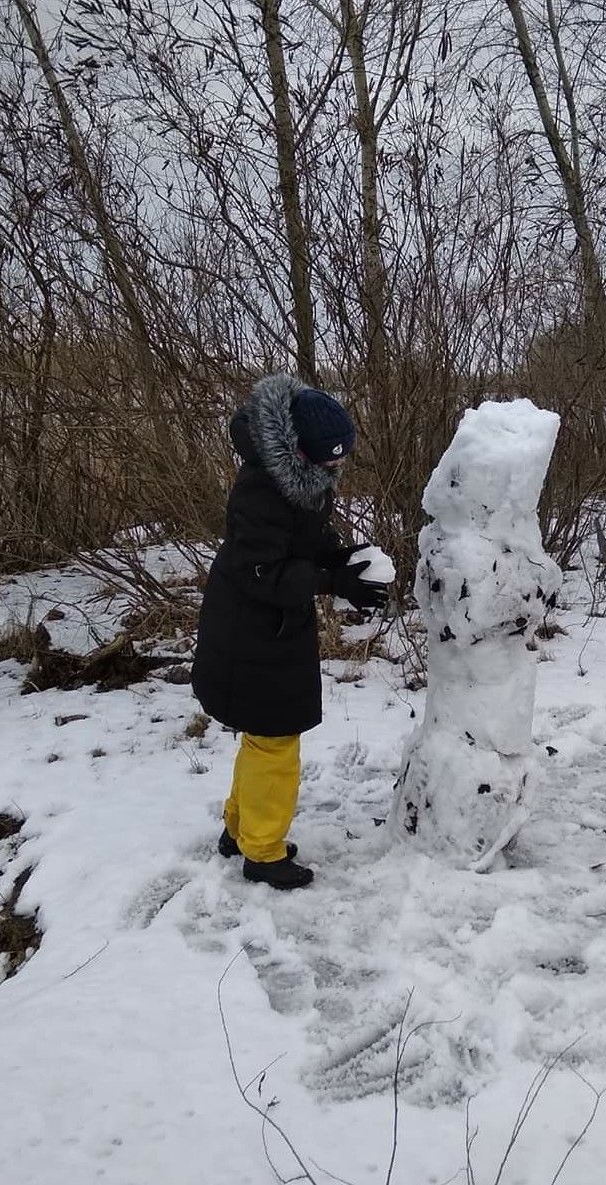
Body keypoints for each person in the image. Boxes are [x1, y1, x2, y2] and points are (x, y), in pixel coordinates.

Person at [192, 373, 388, 890]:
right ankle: (262, 851)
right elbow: (263, 572)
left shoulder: (299, 480)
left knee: (262, 739)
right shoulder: (262, 491)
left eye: (341, 457)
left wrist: (342, 560)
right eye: (330, 458)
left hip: (270, 628)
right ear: (299, 452)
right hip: (251, 632)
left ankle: (240, 830)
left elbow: (303, 541)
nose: (337, 467)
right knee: (275, 744)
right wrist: (331, 581)